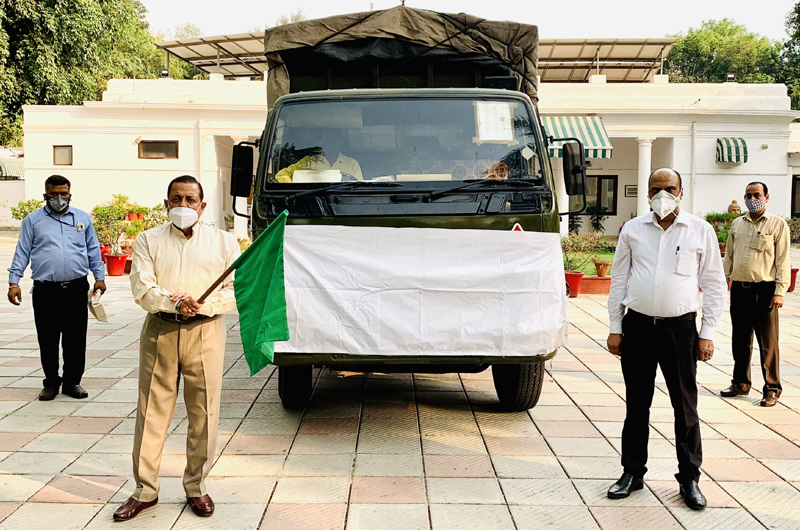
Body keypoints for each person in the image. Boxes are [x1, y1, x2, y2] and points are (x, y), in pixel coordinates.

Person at [114, 175, 240, 521]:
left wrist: (204, 305)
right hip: (161, 331)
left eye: (190, 200)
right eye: (176, 199)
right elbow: (142, 285)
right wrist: (173, 302)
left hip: (205, 333)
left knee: (204, 414)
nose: (183, 206)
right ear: (166, 203)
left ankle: (196, 487)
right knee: (151, 413)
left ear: (202, 206)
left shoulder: (224, 243)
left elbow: (234, 289)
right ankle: (145, 490)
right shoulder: (147, 240)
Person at [606, 168, 727, 511]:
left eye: (669, 188)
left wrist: (708, 333)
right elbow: (619, 279)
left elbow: (715, 285)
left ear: (681, 191)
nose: (663, 194)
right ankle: (632, 472)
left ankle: (689, 478)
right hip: (639, 328)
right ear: (648, 192)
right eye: (656, 189)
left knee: (685, 407)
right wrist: (616, 326)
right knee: (636, 405)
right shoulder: (633, 229)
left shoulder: (699, 230)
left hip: (681, 330)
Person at [7, 175, 106, 401]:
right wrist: (14, 282)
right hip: (45, 290)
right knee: (48, 338)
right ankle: (51, 382)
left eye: (64, 194)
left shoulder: (82, 218)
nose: (59, 198)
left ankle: (72, 382)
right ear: (45, 195)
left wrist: (99, 277)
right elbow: (22, 251)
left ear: (70, 195)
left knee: (75, 338)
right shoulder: (33, 221)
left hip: (76, 288)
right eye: (54, 194)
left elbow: (93, 249)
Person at [721, 182, 790, 407]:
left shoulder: (777, 224)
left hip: (765, 291)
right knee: (740, 341)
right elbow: (728, 256)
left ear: (766, 197)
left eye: (757, 195)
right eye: (749, 195)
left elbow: (783, 260)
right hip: (740, 289)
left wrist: (780, 292)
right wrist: (724, 279)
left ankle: (772, 388)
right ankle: (740, 383)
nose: (752, 199)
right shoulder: (737, 224)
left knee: (768, 343)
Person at [275, 129, 363, 182]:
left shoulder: (352, 164)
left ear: (340, 141)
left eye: (333, 139)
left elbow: (360, 190)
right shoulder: (308, 162)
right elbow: (282, 175)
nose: (330, 142)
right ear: (320, 141)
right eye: (327, 139)